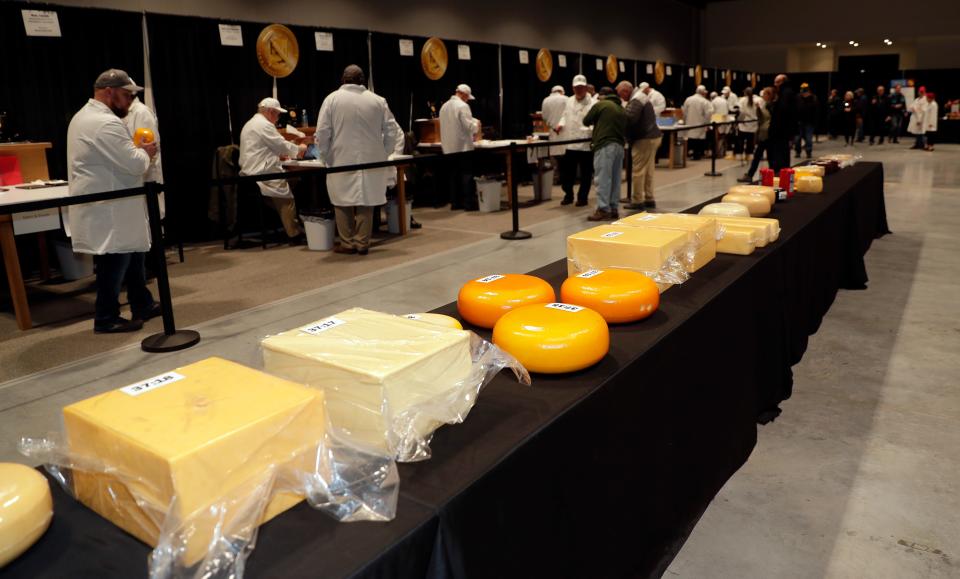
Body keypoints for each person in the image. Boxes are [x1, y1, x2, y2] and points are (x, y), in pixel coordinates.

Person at [66, 69, 159, 333]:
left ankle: (141, 302)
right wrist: (145, 152)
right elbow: (134, 163)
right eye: (126, 94)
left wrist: (137, 152)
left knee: (131, 254)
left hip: (114, 203)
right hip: (111, 207)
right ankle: (106, 318)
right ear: (109, 92)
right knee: (114, 261)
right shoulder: (105, 123)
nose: (130, 101)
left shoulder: (84, 117)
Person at [315, 65, 403, 255]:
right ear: (362, 80)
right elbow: (391, 130)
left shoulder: (332, 99)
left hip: (340, 157)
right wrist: (384, 152)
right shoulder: (378, 100)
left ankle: (347, 243)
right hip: (372, 159)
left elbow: (322, 132)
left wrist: (323, 155)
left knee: (341, 199)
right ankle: (362, 242)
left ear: (343, 79)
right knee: (367, 198)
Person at [238, 97, 308, 243]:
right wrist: (300, 149)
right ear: (270, 112)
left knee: (294, 180)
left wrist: (287, 150)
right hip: (261, 173)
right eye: (277, 114)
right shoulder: (264, 125)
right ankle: (294, 233)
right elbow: (281, 145)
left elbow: (273, 146)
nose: (277, 118)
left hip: (250, 172)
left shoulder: (251, 123)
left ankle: (291, 221)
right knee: (286, 196)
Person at [582, 87, 626, 221]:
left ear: (602, 96)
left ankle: (603, 209)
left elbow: (586, 120)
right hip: (619, 146)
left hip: (605, 145)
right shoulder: (621, 108)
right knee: (615, 179)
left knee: (602, 178)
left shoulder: (601, 104)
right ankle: (613, 208)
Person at [555, 74, 596, 206]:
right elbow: (564, 116)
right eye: (576, 88)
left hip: (586, 143)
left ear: (586, 88)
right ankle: (568, 195)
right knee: (567, 173)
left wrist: (590, 130)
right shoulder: (569, 101)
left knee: (586, 173)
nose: (578, 90)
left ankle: (582, 197)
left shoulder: (594, 103)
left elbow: (595, 122)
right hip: (570, 142)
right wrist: (560, 124)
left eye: (581, 87)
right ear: (573, 88)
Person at [439, 83, 481, 210]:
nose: (468, 99)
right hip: (463, 147)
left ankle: (455, 203)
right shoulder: (463, 106)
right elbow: (469, 126)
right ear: (463, 94)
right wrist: (476, 125)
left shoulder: (444, 107)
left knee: (453, 176)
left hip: (448, 147)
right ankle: (468, 203)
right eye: (467, 97)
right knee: (466, 175)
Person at [123, 95, 164, 215]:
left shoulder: (141, 112)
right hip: (133, 179)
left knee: (152, 220)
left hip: (146, 179)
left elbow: (150, 149)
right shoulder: (122, 114)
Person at [623, 83, 662, 209]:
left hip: (644, 138)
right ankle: (649, 198)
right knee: (649, 170)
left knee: (638, 171)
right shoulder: (641, 97)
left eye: (620, 93)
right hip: (653, 136)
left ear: (625, 91)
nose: (621, 96)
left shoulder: (636, 99)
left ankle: (637, 200)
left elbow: (629, 118)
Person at [737, 87, 773, 183]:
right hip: (759, 130)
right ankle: (750, 174)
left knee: (768, 155)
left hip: (766, 132)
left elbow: (766, 117)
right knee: (757, 153)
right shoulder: (760, 101)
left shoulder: (769, 104)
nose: (763, 96)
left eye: (765, 94)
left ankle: (773, 174)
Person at [767, 74, 797, 172]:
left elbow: (783, 112)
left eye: (776, 82)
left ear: (782, 82)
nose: (774, 84)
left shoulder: (785, 93)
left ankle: (779, 176)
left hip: (780, 131)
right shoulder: (786, 93)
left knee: (780, 156)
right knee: (782, 155)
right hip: (783, 130)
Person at [681, 85, 713, 160]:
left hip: (690, 123)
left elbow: (684, 112)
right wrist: (707, 123)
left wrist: (685, 121)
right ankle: (697, 154)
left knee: (691, 138)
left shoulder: (688, 99)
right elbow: (709, 113)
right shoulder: (705, 101)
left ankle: (690, 153)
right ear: (703, 93)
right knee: (699, 139)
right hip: (700, 123)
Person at [541, 85, 568, 158]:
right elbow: (569, 114)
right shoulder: (566, 99)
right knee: (565, 153)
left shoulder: (546, 100)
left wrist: (552, 125)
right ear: (561, 92)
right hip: (565, 130)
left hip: (553, 130)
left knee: (554, 153)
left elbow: (544, 117)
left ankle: (556, 168)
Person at [736, 87, 761, 160]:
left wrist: (739, 120)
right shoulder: (757, 100)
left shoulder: (742, 100)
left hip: (744, 123)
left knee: (741, 140)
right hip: (753, 123)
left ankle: (739, 154)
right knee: (750, 140)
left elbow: (741, 112)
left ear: (745, 93)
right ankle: (749, 154)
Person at [794, 83, 819, 158]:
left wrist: (815, 122)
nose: (804, 93)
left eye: (805, 91)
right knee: (797, 139)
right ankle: (798, 152)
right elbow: (794, 109)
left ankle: (808, 152)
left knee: (808, 138)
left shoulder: (814, 98)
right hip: (799, 122)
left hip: (809, 122)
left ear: (809, 91)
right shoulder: (797, 98)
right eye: (802, 91)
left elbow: (817, 111)